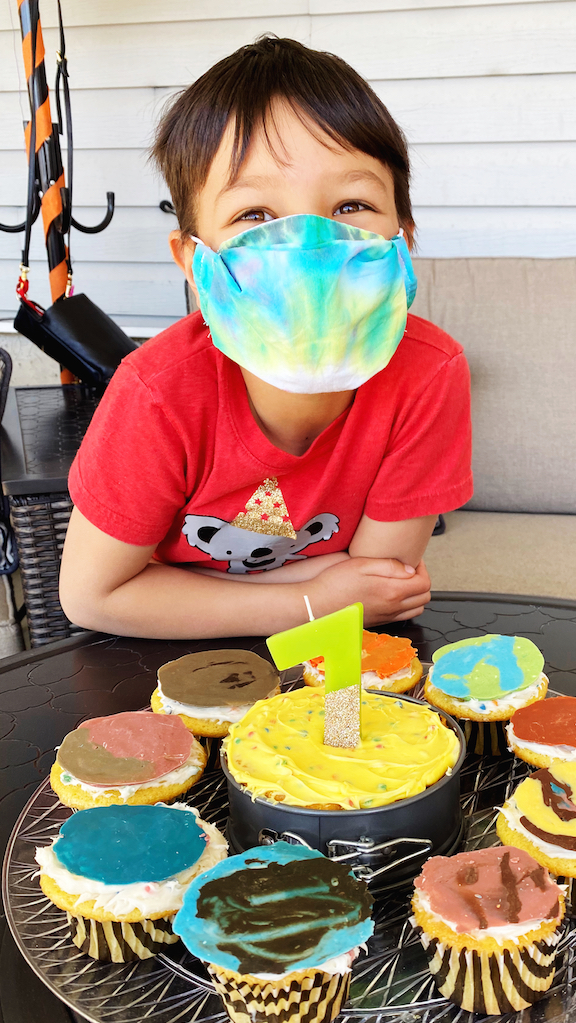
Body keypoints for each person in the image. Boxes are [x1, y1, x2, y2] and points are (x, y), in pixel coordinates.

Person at [59, 36, 472, 638]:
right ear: (194, 261)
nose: (307, 243)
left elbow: (380, 584)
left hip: (339, 662)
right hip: (167, 661)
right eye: (255, 216)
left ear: (403, 239)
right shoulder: (157, 392)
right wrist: (313, 594)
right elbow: (92, 598)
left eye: (351, 204)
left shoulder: (428, 372)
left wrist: (176, 584)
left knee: (360, 734)